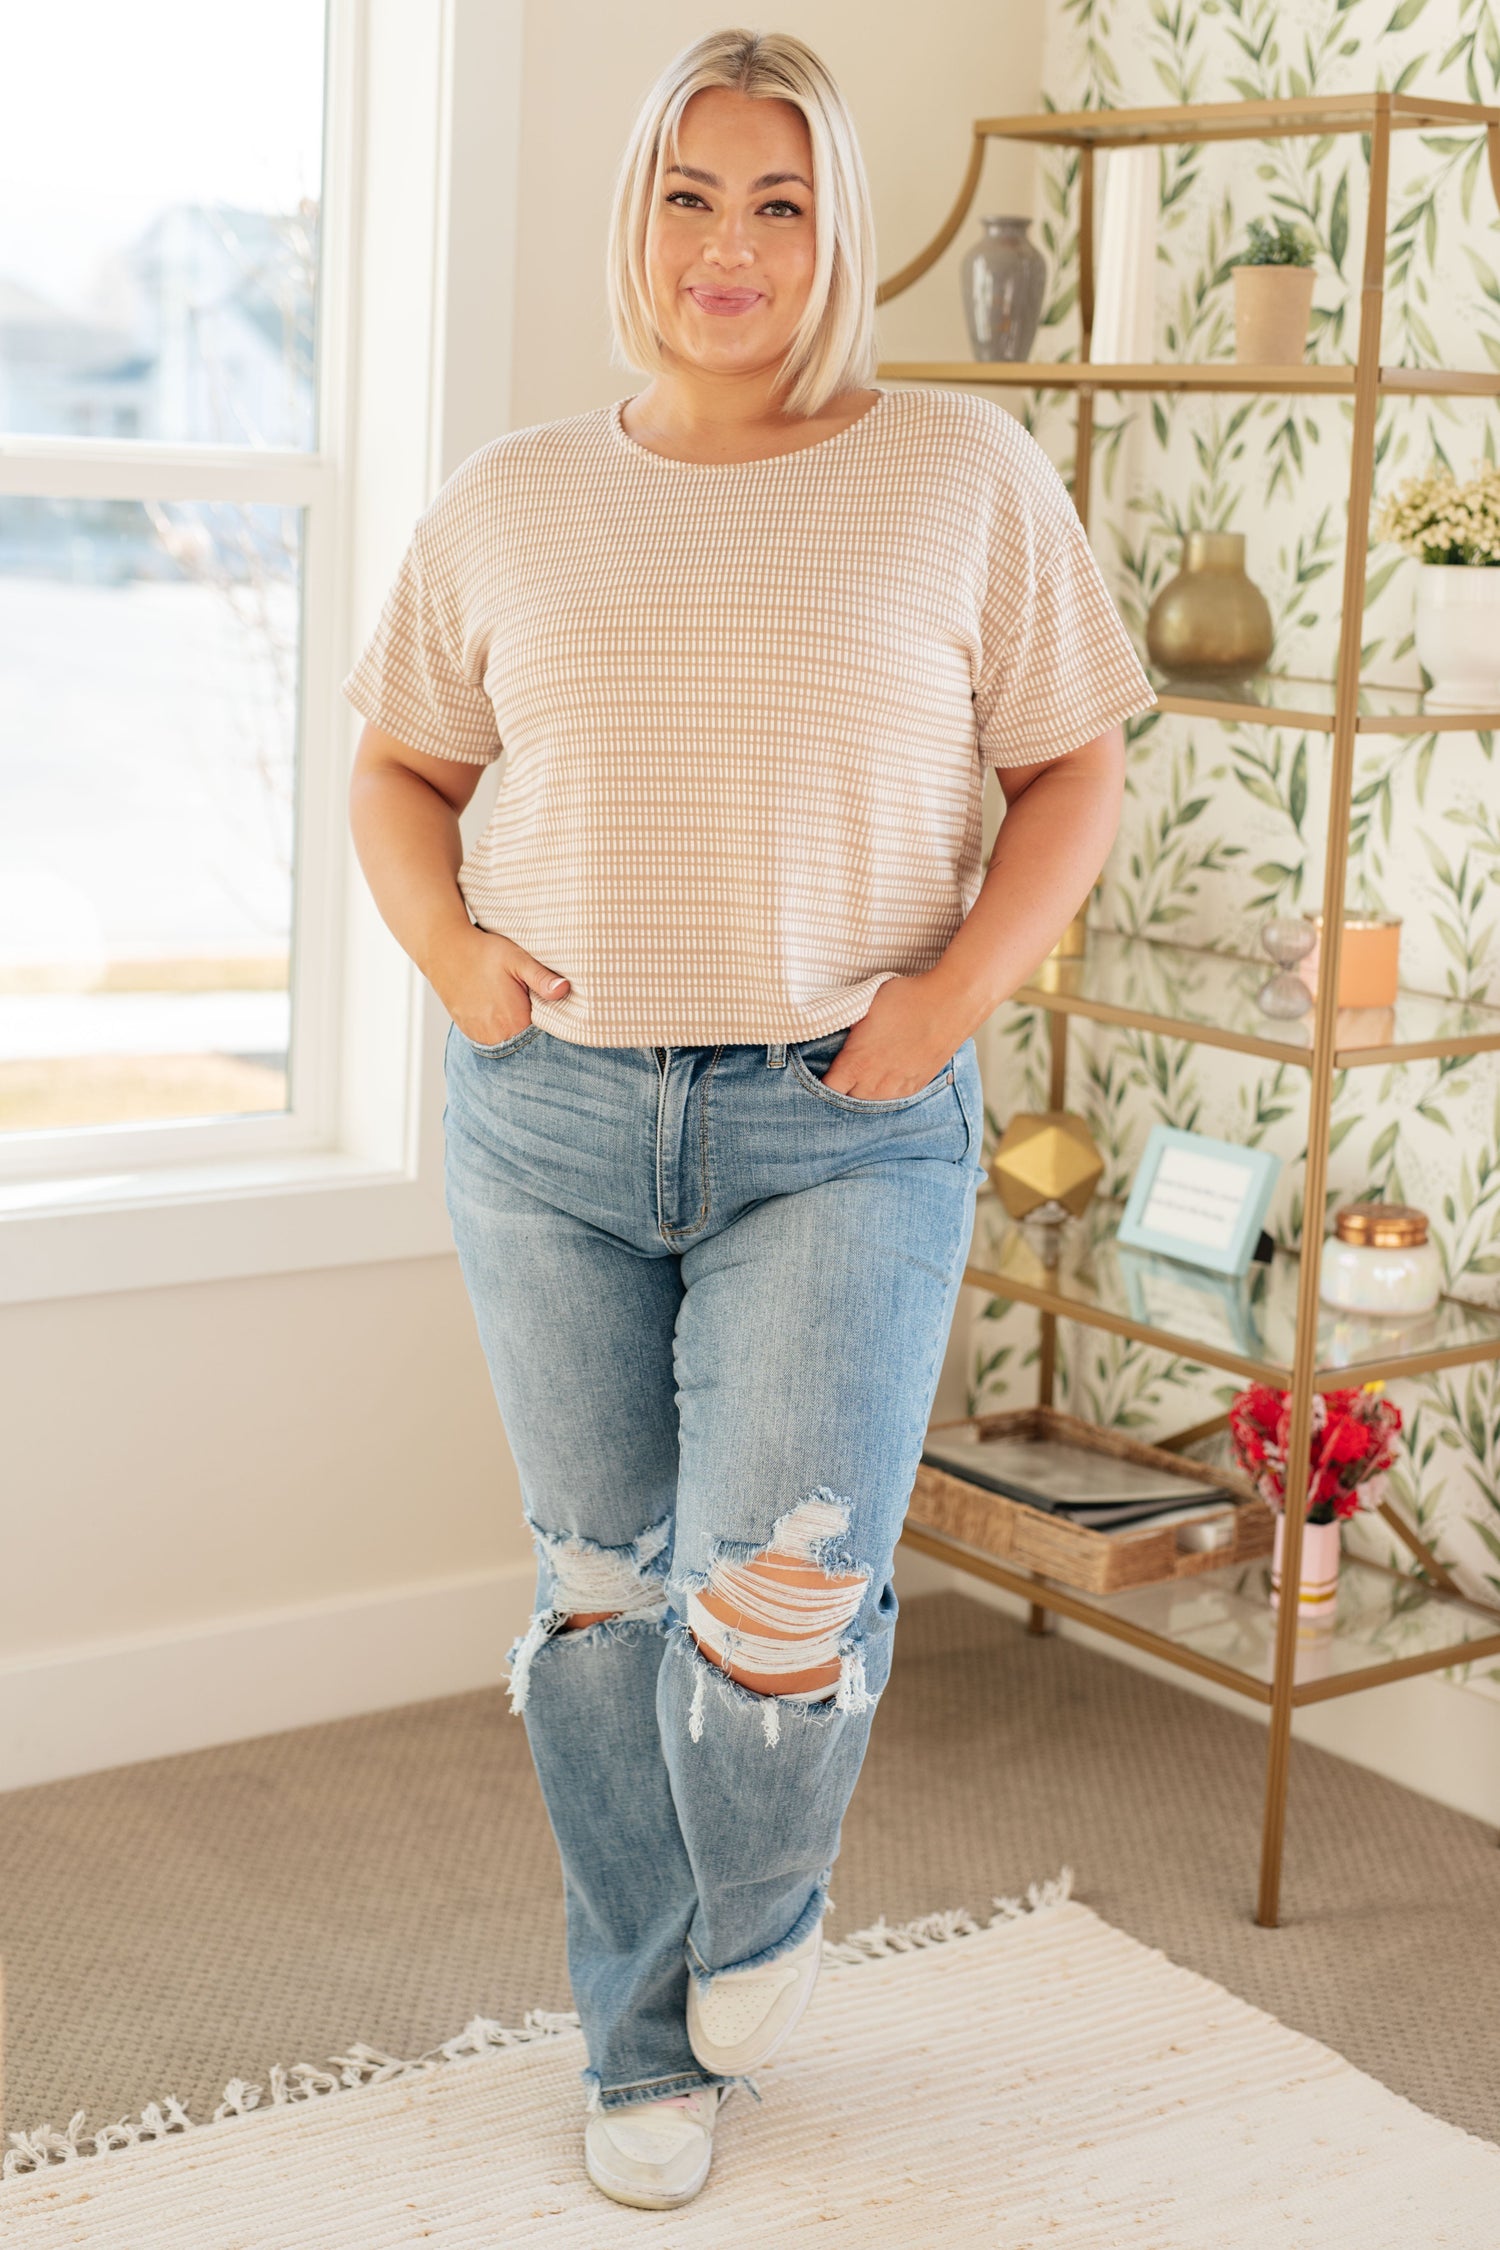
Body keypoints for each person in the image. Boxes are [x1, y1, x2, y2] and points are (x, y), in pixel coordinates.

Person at [342, 25, 1156, 2212]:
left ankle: (762, 1908)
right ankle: (639, 2041)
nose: (731, 244)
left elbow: (1076, 768)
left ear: (836, 232)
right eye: (692, 195)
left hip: (843, 1122)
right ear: (639, 217)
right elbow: (400, 771)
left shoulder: (962, 474)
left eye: (779, 200)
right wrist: (451, 959)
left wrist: (952, 1000)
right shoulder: (510, 496)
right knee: (603, 1598)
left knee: (775, 1600)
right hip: (548, 1124)